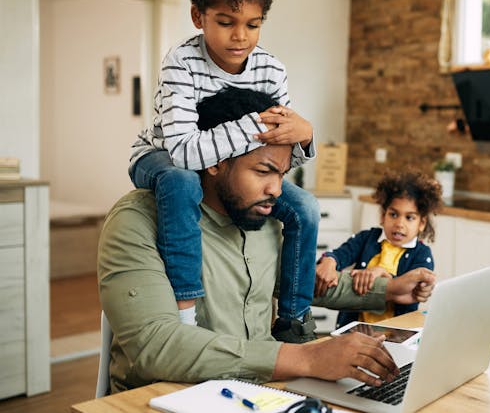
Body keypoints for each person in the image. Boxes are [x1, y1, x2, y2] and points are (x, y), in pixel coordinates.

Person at [99, 135, 437, 393]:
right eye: (263, 171)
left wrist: (390, 289)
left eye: (283, 174)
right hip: (166, 396)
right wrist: (309, 358)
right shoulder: (140, 219)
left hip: (259, 391)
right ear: (215, 160)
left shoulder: (265, 215)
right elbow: (155, 345)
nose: (276, 190)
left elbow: (300, 283)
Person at [128, 0, 319, 343]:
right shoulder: (181, 62)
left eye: (252, 24)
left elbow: (276, 158)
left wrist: (306, 137)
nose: (239, 36)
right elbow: (183, 151)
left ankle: (294, 318)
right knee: (182, 183)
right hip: (160, 153)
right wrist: (254, 125)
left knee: (306, 208)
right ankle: (185, 314)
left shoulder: (270, 69)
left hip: (218, 163)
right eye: (226, 22)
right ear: (199, 16)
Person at [314, 170, 443, 328]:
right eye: (393, 214)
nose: (399, 224)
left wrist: (382, 273)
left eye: (409, 217)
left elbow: (411, 288)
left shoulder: (422, 255)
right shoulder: (366, 238)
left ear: (421, 223)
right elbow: (340, 255)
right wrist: (329, 260)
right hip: (355, 329)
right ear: (383, 216)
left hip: (394, 335)